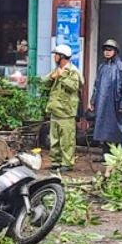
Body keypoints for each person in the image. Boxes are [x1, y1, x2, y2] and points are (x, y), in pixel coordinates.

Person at [90, 39, 122, 160]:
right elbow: (96, 85)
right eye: (105, 50)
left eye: (110, 50)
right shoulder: (102, 67)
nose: (107, 52)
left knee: (116, 131)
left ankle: (117, 156)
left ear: (115, 51)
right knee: (103, 130)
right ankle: (105, 154)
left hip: (116, 104)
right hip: (103, 103)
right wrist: (93, 101)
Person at [44, 44, 83, 172]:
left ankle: (67, 163)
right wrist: (52, 77)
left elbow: (74, 86)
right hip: (55, 110)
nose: (54, 57)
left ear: (62, 56)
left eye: (56, 54)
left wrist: (62, 76)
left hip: (66, 112)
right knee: (54, 139)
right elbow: (45, 83)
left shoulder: (73, 71)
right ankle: (55, 161)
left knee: (66, 140)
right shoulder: (56, 70)